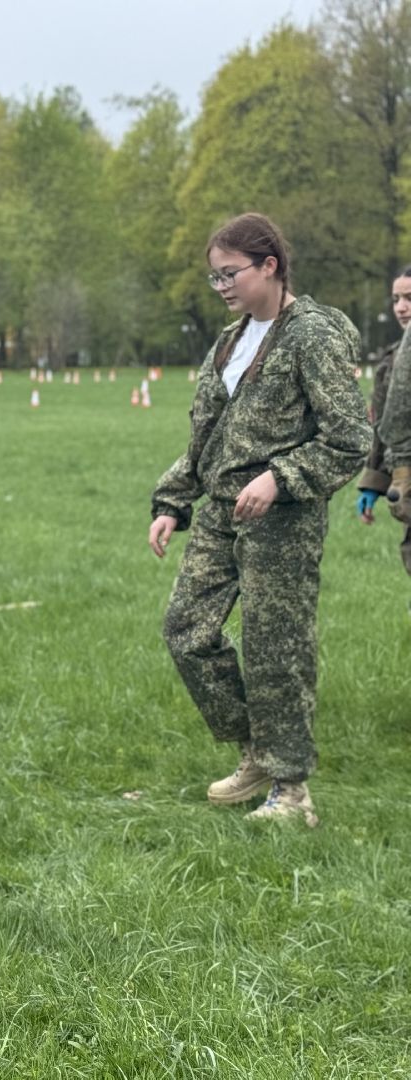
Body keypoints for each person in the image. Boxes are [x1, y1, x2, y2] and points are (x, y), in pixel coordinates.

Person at [148, 213, 370, 826]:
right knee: (186, 632)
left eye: (230, 274)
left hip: (283, 521)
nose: (221, 286)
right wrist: (172, 502)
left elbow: (350, 438)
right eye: (214, 277)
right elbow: (207, 438)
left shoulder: (313, 335)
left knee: (276, 650)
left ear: (269, 265)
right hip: (220, 512)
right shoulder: (229, 340)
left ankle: (291, 790)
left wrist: (280, 479)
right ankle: (256, 753)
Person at [356, 266, 411, 579]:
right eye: (396, 299)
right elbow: (382, 428)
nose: (401, 307)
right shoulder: (391, 361)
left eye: (409, 298)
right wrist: (374, 482)